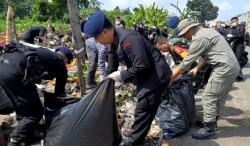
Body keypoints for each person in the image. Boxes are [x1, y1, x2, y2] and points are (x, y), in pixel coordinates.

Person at [84, 11, 172, 145]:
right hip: (146, 75)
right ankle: (137, 136)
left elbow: (142, 65)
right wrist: (106, 80)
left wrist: (121, 75)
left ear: (104, 32)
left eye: (97, 38)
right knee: (145, 107)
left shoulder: (128, 38)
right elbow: (112, 62)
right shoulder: (113, 41)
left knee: (144, 106)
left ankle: (133, 142)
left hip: (156, 76)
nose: (97, 42)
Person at [171, 19, 240, 140]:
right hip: (232, 66)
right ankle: (212, 120)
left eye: (183, 34)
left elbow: (184, 64)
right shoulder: (207, 32)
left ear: (190, 29)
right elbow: (207, 56)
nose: (183, 37)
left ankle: (209, 129)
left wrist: (169, 79)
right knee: (219, 95)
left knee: (208, 96)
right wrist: (197, 68)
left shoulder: (199, 38)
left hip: (224, 67)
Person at [0, 43, 73, 145]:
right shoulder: (60, 62)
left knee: (22, 105)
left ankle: (28, 133)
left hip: (3, 66)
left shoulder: (44, 52)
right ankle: (15, 141)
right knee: (35, 112)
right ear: (66, 59)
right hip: (15, 73)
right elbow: (59, 93)